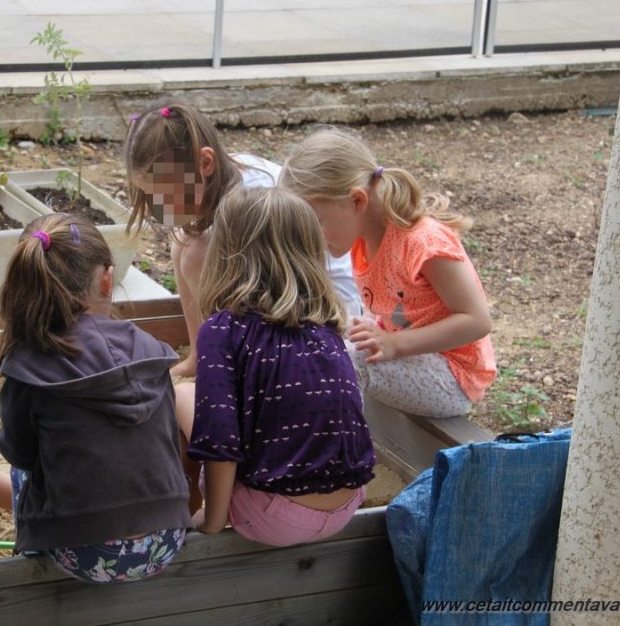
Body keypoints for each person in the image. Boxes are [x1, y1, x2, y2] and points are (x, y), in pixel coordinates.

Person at [175, 186, 375, 547]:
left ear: (227, 254)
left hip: (274, 516)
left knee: (180, 395)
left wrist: (212, 520)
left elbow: (220, 439)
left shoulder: (222, 330)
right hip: (347, 506)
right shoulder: (327, 327)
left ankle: (190, 502)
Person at [0, 213, 191, 584]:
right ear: (106, 280)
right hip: (165, 541)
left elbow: (19, 454)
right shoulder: (149, 347)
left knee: (24, 461)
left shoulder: (27, 364)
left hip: (82, 553)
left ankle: (36, 545)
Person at [124, 102, 362, 378]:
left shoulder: (250, 198)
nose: (158, 206)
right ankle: (201, 356)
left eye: (165, 194)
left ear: (205, 163)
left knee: (196, 253)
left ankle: (224, 366)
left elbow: (276, 282)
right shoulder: (224, 175)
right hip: (285, 291)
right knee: (185, 240)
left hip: (326, 310)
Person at [280, 126, 496, 418]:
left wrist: (395, 344)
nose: (313, 237)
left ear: (357, 200)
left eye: (317, 222)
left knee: (347, 360)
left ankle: (341, 455)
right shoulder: (361, 240)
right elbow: (389, 309)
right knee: (316, 332)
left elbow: (478, 320)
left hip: (454, 375)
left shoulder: (423, 243)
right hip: (406, 354)